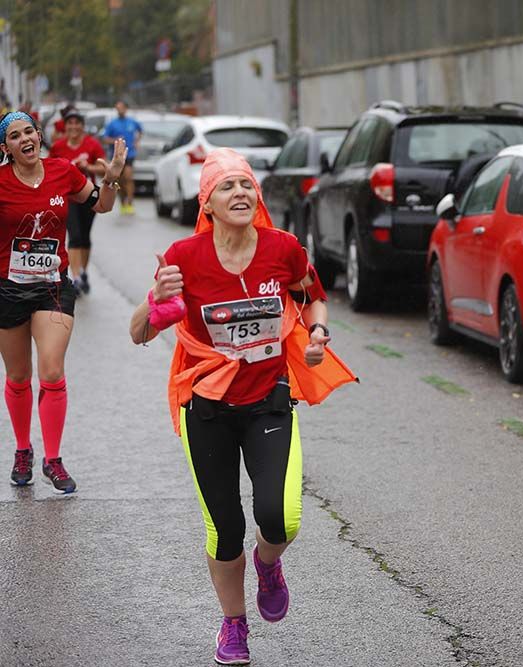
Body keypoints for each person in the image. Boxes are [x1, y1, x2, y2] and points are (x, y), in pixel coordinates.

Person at [129, 148, 356, 665]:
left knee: (282, 518)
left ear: (256, 197)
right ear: (206, 203)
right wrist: (155, 299)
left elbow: (312, 294)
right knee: (224, 527)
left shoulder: (284, 248)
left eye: (246, 185)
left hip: (269, 399)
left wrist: (318, 329)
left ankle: (268, 562)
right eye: (226, 187)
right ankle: (233, 624)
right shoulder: (184, 258)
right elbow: (140, 333)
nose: (239, 193)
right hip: (207, 407)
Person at [1, 111, 126, 493]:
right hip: (7, 288)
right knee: (19, 376)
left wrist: (111, 179)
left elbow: (101, 206)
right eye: (14, 135)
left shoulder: (62, 172)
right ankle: (23, 449)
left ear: (39, 136)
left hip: (52, 285)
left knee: (52, 371)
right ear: (5, 147)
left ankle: (53, 459)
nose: (25, 138)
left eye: (29, 131)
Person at [48, 109, 106, 295]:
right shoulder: (58, 147)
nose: (73, 126)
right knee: (74, 235)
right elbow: (48, 169)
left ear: (82, 125)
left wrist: (87, 166)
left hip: (88, 195)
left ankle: (83, 271)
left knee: (85, 237)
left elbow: (103, 168)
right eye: (70, 123)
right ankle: (76, 278)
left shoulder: (92, 144)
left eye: (77, 123)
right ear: (65, 126)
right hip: (67, 197)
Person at [101, 100, 142, 215]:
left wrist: (137, 141)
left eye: (122, 107)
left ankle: (130, 203)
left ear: (126, 109)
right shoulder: (112, 124)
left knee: (129, 177)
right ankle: (123, 202)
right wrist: (114, 140)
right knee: (120, 181)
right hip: (117, 156)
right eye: (118, 108)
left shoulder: (132, 122)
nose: (120, 110)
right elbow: (104, 138)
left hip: (129, 154)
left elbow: (140, 131)